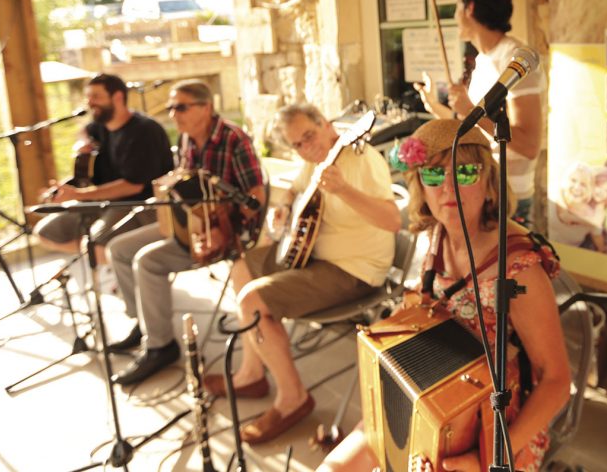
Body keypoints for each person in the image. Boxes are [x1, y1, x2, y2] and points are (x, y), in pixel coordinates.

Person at [317, 118, 570, 472]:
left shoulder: (517, 266)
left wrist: (488, 459)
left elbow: (557, 380)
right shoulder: (432, 238)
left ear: (489, 182)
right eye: (434, 175)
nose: (448, 187)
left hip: (498, 430)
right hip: (431, 403)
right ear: (420, 184)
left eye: (464, 172)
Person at [200, 103, 400, 445]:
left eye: (310, 136)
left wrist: (343, 191)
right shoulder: (313, 160)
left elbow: (393, 221)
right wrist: (284, 207)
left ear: (325, 123)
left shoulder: (360, 159)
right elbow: (295, 188)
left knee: (253, 300)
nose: (308, 148)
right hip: (313, 255)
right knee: (242, 264)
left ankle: (292, 398)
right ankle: (252, 373)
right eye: (298, 145)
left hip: (354, 269)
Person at [106, 79, 265, 386]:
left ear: (207, 107)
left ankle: (160, 346)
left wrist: (220, 222)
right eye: (170, 107)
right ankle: (145, 322)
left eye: (181, 106)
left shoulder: (235, 139)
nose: (173, 114)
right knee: (118, 249)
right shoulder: (188, 139)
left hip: (225, 233)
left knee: (146, 261)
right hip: (187, 224)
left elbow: (255, 201)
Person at [416, 0, 545, 226]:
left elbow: (529, 144)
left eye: (456, 7)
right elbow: (474, 128)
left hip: (508, 193)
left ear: (470, 8)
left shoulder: (514, 59)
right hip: (480, 186)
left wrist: (469, 109)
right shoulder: (485, 60)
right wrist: (435, 105)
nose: (454, 17)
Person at [32, 73, 173, 266]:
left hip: (136, 205)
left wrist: (80, 195)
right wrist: (83, 142)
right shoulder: (100, 125)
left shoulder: (145, 131)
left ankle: (119, 264)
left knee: (93, 247)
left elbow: (133, 186)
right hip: (100, 201)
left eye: (96, 97)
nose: (90, 103)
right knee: (45, 232)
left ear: (117, 97)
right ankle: (116, 263)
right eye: (88, 97)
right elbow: (84, 130)